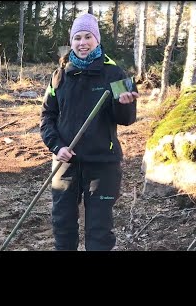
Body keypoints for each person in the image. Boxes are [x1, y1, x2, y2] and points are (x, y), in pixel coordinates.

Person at [40, 13, 139, 251]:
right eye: (77, 38)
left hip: (102, 164)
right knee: (62, 226)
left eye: (88, 37)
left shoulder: (116, 73)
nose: (82, 43)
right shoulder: (60, 74)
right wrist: (57, 147)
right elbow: (47, 117)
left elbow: (127, 120)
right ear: (71, 41)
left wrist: (124, 103)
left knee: (99, 231)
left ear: (97, 39)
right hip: (65, 163)